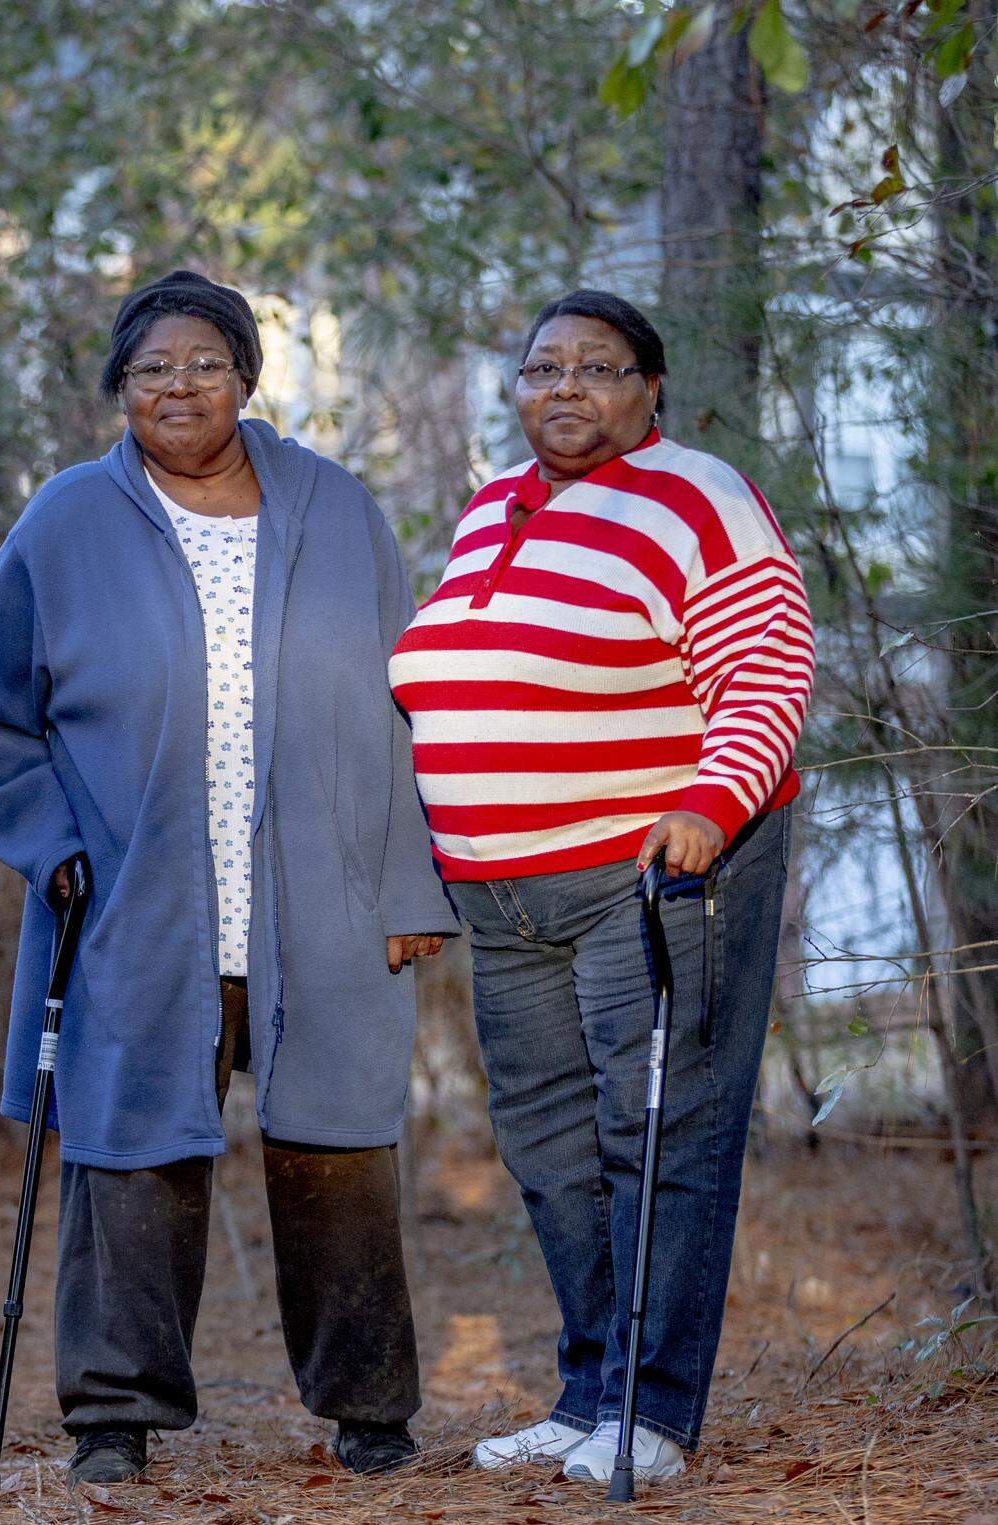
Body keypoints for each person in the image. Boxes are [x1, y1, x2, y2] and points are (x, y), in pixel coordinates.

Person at [0, 269, 455, 1485]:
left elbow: (406, 712)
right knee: (128, 1156)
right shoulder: (65, 521)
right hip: (136, 902)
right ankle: (112, 1416)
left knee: (340, 1147)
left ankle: (371, 1413)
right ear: (118, 388)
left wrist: (407, 887)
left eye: (205, 364)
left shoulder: (336, 509)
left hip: (318, 902)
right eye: (151, 370)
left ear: (247, 375)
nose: (180, 387)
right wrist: (55, 845)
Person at [390, 289, 814, 1487]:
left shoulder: (696, 493)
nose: (565, 388)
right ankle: (590, 1392)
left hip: (649, 880)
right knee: (548, 1149)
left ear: (651, 389)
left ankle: (654, 1410)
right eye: (542, 368)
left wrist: (713, 801)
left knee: (661, 1133)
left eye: (598, 367)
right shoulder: (492, 508)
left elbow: (768, 662)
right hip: (504, 904)